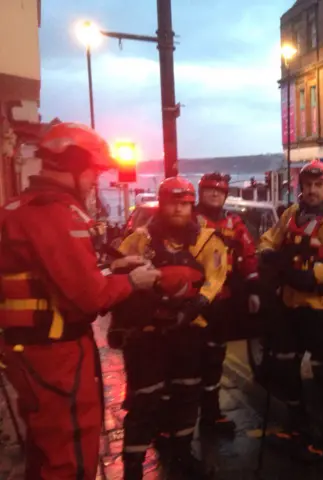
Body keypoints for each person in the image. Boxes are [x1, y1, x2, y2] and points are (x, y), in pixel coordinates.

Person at [0, 121, 161, 480]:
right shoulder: (54, 215)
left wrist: (113, 267)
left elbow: (55, 279)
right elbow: (88, 298)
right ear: (73, 167)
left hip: (32, 349)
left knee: (43, 448)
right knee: (70, 452)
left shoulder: (19, 208)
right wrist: (132, 281)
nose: (93, 182)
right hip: (55, 353)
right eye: (92, 172)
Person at [116, 176, 227, 479]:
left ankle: (181, 454)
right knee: (144, 400)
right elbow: (118, 273)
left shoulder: (207, 240)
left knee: (187, 393)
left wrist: (196, 306)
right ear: (162, 203)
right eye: (172, 202)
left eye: (184, 203)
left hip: (189, 330)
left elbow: (216, 277)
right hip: (148, 333)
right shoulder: (140, 239)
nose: (178, 209)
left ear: (192, 205)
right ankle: (133, 467)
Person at [259, 159, 323, 462]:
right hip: (289, 305)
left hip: (321, 309)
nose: (313, 190)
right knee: (286, 367)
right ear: (300, 187)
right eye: (308, 185)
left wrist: (311, 276)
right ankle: (296, 427)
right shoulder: (290, 215)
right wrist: (266, 255)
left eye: (319, 185)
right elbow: (269, 239)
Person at [195, 172, 260, 436]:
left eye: (219, 192)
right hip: (193, 301)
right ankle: (179, 421)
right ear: (201, 193)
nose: (214, 195)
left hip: (222, 302)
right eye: (209, 190)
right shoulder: (189, 221)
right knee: (187, 361)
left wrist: (254, 290)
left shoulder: (235, 222)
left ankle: (211, 415)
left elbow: (249, 256)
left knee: (214, 359)